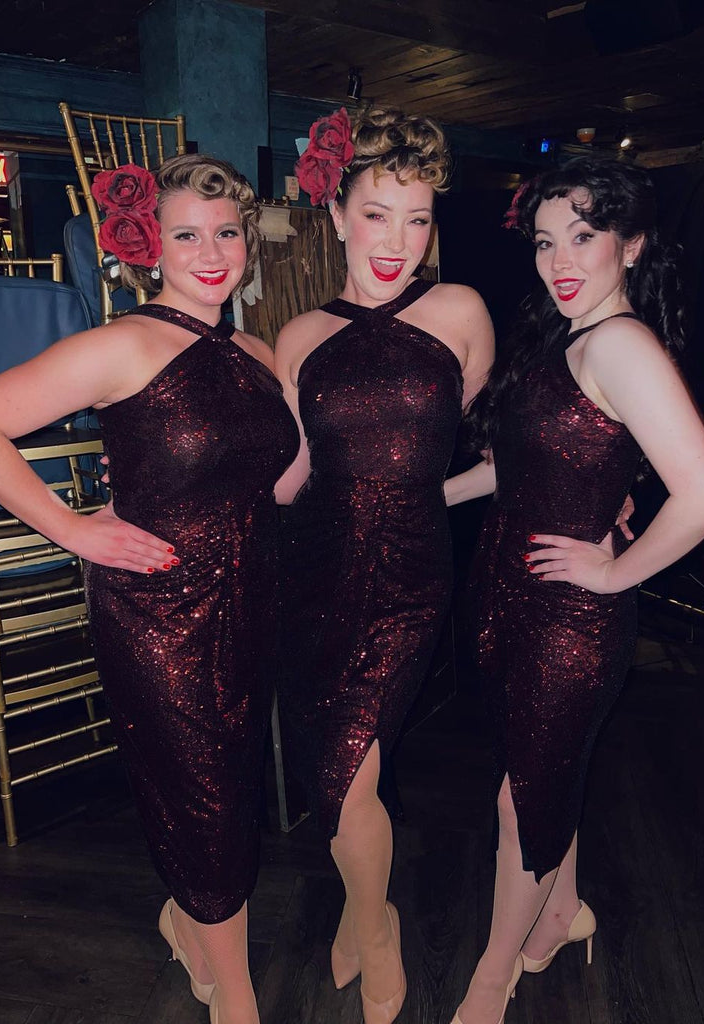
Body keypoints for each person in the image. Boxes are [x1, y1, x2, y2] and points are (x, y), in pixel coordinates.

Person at [0, 154, 299, 1024]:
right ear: (150, 247)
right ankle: (236, 995)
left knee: (228, 785)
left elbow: (282, 481)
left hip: (252, 601)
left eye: (226, 233)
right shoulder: (123, 343)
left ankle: (186, 922)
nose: (210, 253)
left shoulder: (255, 351)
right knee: (203, 793)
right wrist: (71, 529)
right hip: (159, 611)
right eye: (186, 235)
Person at [443, 158, 704, 1024]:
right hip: (514, 594)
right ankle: (563, 911)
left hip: (572, 617)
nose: (560, 260)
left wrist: (612, 571)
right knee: (545, 775)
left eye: (583, 235)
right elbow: (515, 469)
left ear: (631, 244)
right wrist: (422, 497)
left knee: (521, 799)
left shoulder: (618, 343)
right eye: (545, 241)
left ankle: (489, 983)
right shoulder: (566, 336)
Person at [273, 106, 494, 1023]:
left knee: (355, 766)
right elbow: (291, 479)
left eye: (418, 219)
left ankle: (375, 931)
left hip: (409, 576)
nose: (398, 241)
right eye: (376, 215)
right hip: (312, 574)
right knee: (332, 770)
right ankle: (362, 912)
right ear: (336, 217)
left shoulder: (461, 312)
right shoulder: (297, 337)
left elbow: (460, 442)